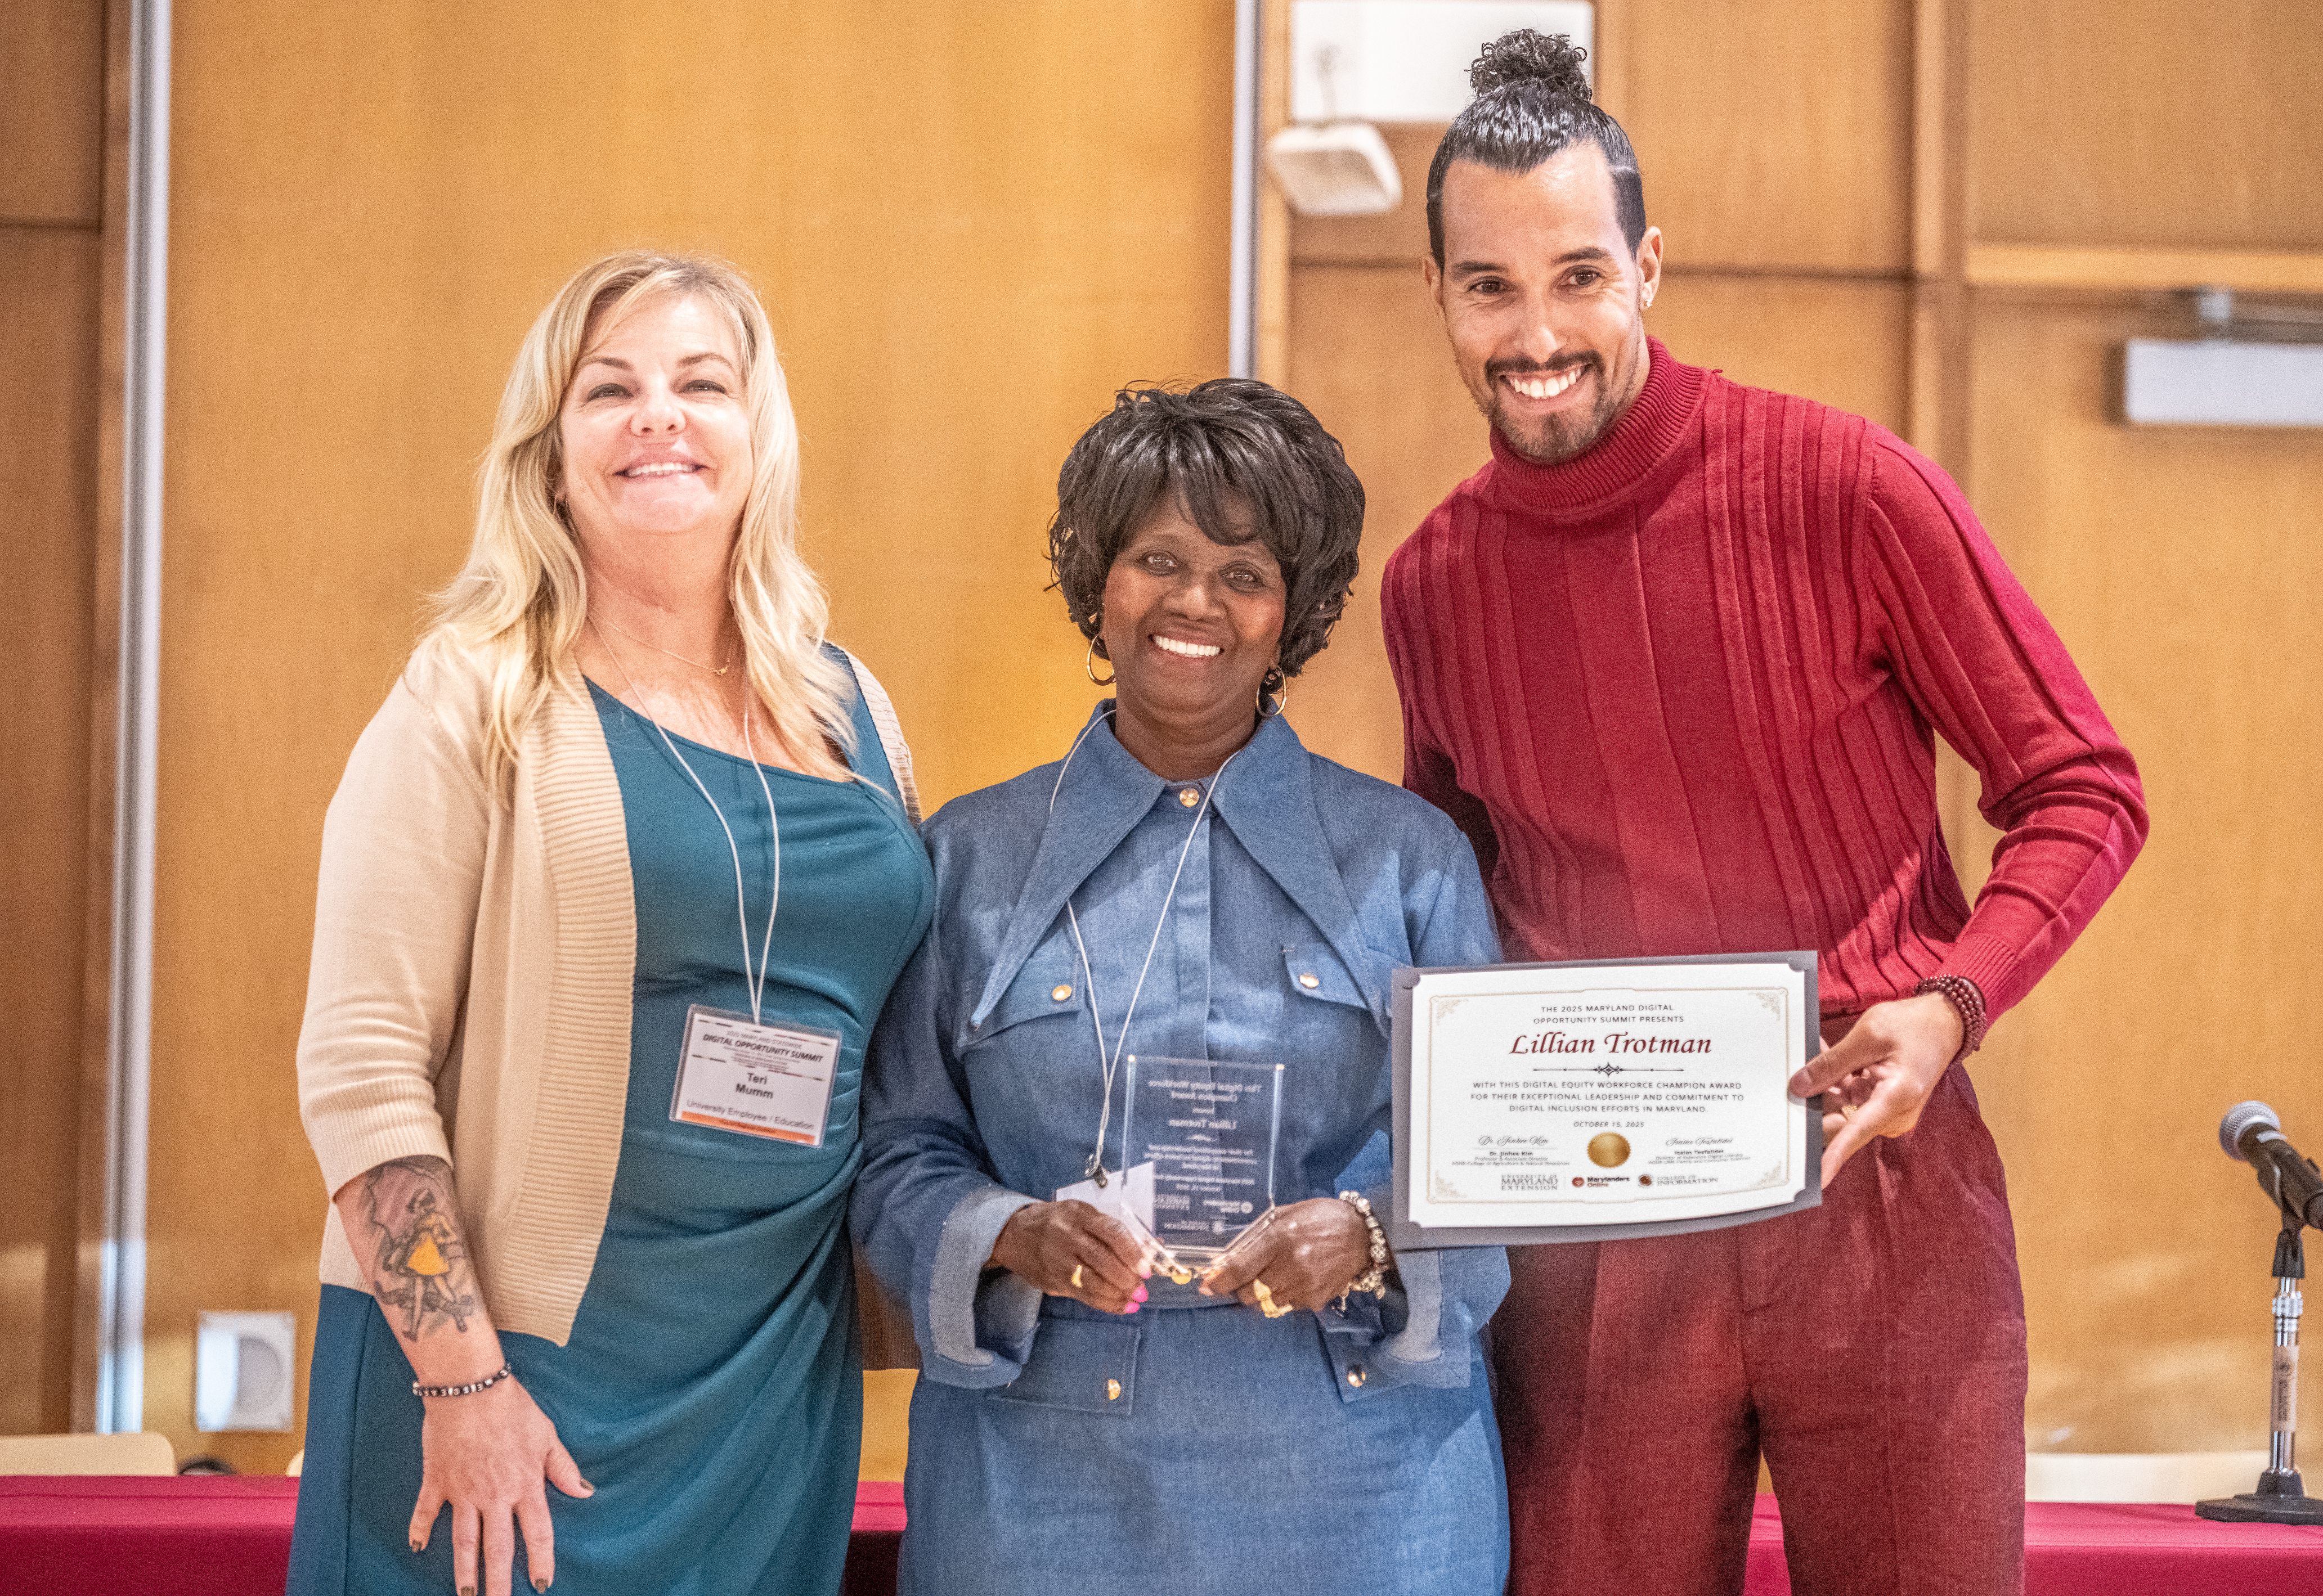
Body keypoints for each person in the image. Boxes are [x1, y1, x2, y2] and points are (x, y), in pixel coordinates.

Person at [1379, 33, 2149, 1596]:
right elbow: (1446, 914)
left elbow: (2082, 786)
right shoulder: (1432, 587)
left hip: (1879, 1180)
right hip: (1591, 1231)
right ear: (1442, 297)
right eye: (1489, 287)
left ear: (1650, 268)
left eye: (1578, 276)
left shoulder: (1850, 488)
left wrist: (1951, 1003)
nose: (1536, 332)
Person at [287, 250, 933, 1596]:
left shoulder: (851, 704)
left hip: (767, 1377)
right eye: (610, 389)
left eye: (702, 383)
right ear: (550, 449)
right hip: (512, 1385)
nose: (659, 417)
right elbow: (359, 1068)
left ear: (757, 436)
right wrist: (464, 1387)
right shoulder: (473, 692)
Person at [853, 380, 1510, 1596]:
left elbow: (1497, 1171)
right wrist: (1010, 1233)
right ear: (1097, 581)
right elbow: (897, 1156)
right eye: (1158, 558)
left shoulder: (1411, 864)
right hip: (1036, 1492)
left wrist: (1366, 1235)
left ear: (1293, 610)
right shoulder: (967, 860)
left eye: (1244, 571)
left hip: (1360, 1489)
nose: (1195, 602)